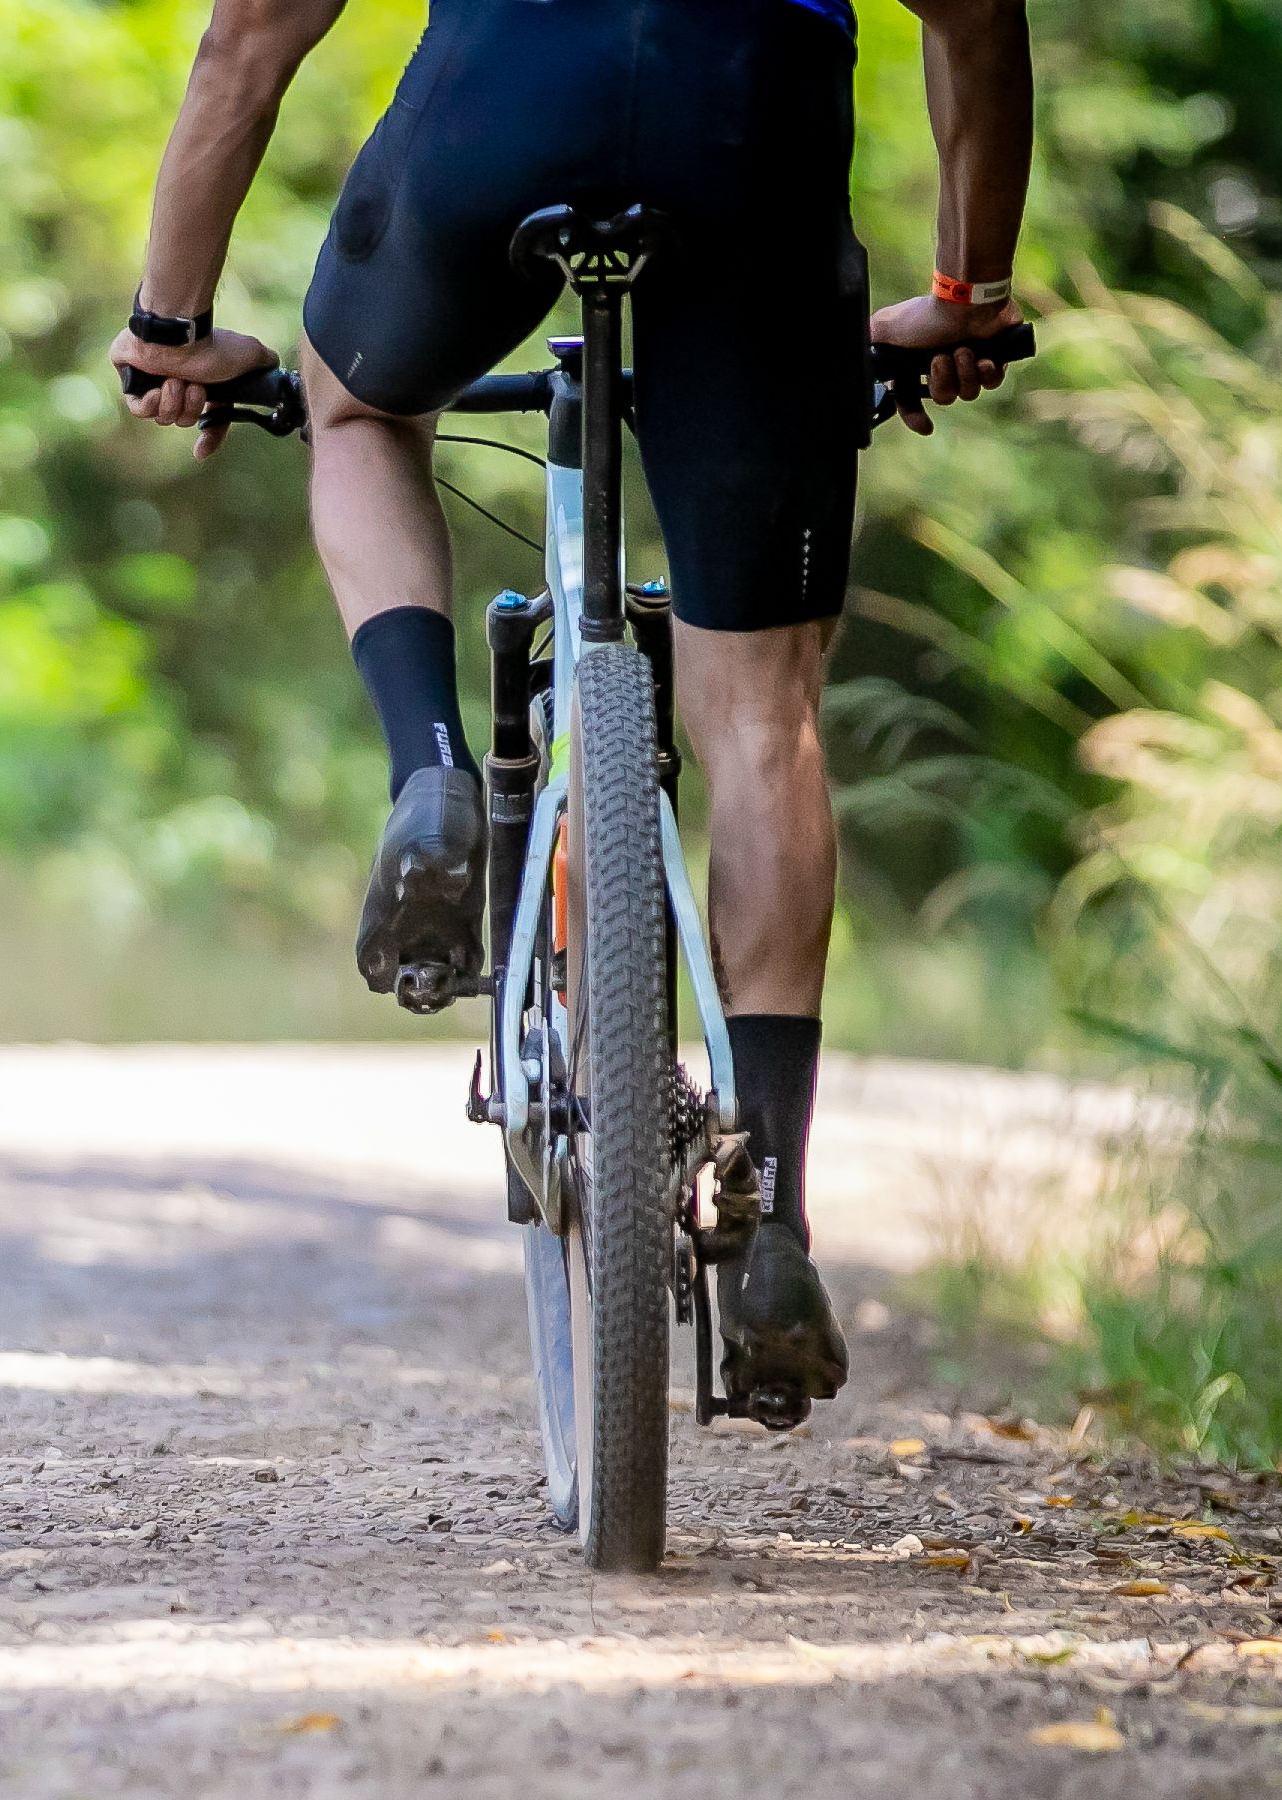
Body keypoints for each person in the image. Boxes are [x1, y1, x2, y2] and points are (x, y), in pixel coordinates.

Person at [119, 0, 1030, 1408]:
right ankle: (773, 1214)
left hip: (505, 105)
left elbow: (250, 35)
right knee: (762, 714)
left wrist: (170, 328)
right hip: (752, 128)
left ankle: (429, 773)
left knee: (357, 411)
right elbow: (976, 16)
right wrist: (969, 294)